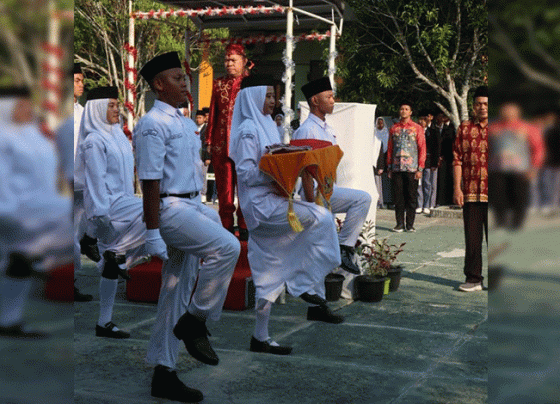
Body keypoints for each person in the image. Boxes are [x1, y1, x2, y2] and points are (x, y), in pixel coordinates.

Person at [134, 51, 240, 403]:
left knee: (174, 293)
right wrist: (151, 233)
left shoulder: (182, 121)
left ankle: (164, 372)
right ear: (158, 85)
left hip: (192, 203)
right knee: (228, 248)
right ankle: (196, 321)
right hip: (170, 208)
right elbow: (150, 182)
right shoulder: (152, 124)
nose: (186, 83)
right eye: (178, 79)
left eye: (186, 77)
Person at [229, 75, 344, 355]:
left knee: (269, 273)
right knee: (321, 218)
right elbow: (245, 173)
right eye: (268, 96)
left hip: (275, 199)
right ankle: (304, 283)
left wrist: (288, 159)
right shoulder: (247, 129)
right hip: (261, 206)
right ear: (254, 98)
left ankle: (261, 336)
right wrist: (280, 166)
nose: (273, 102)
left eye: (274, 96)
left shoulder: (268, 125)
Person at [78, 86, 168, 338]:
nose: (117, 109)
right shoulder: (93, 141)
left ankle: (103, 322)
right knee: (158, 209)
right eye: (111, 105)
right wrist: (98, 220)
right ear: (96, 109)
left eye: (117, 105)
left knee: (113, 261)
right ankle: (111, 251)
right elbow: (94, 183)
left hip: (125, 201)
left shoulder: (117, 134)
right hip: (109, 207)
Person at [0, 86, 73, 338]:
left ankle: (9, 320)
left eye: (26, 104)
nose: (27, 109)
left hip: (36, 205)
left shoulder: (32, 135)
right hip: (12, 207)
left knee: (17, 264)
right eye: (20, 105)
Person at [292, 77, 371, 275]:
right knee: (361, 199)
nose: (333, 101)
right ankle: (342, 250)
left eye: (332, 96)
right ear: (315, 101)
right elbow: (305, 172)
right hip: (315, 193)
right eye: (328, 97)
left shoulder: (327, 128)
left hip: (327, 190)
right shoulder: (307, 130)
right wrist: (312, 205)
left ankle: (344, 248)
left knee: (361, 200)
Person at [207, 43, 252, 240]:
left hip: (244, 145)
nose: (229, 64)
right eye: (226, 60)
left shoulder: (250, 83)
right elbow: (213, 113)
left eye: (233, 60)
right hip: (221, 144)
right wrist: (209, 139)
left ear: (243, 61)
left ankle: (244, 224)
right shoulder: (218, 83)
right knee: (224, 188)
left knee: (245, 186)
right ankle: (226, 224)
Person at [452, 86, 489, 292]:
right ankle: (474, 279)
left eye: (485, 104)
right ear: (473, 106)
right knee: (472, 239)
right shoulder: (464, 128)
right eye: (478, 104)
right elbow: (457, 159)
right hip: (471, 192)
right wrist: (457, 189)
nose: (482, 107)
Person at [488, 101, 544, 231]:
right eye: (505, 111)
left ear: (517, 113)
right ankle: (500, 222)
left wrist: (534, 168)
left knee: (519, 197)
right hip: (497, 169)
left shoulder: (527, 128)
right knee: (497, 197)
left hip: (521, 170)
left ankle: (517, 224)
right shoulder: (493, 128)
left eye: (511, 111)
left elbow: (538, 148)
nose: (507, 114)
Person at [73, 62, 98, 302]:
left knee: (77, 232)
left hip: (81, 180)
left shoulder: (84, 112)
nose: (81, 84)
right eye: (77, 79)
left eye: (82, 80)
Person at [385, 101, 426, 232]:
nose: (403, 111)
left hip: (412, 168)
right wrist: (389, 167)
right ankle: (399, 224)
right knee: (398, 197)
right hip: (397, 168)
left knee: (411, 196)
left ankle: (410, 224)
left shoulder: (417, 128)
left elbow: (422, 148)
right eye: (402, 108)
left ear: (411, 112)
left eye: (406, 109)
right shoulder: (394, 128)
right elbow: (390, 148)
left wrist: (420, 168)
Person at [416, 110, 441, 214]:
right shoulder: (415, 132)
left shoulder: (433, 132)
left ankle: (427, 204)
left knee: (427, 183)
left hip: (428, 161)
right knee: (418, 184)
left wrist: (435, 163)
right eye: (420, 120)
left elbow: (437, 148)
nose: (422, 122)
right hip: (417, 161)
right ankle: (419, 204)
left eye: (424, 120)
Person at [436, 110, 456, 206]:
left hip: (450, 157)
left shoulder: (452, 127)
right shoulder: (440, 127)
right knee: (442, 179)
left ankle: (451, 199)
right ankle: (441, 200)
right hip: (442, 157)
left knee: (451, 178)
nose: (442, 118)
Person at [374, 117, 389, 209]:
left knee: (385, 182)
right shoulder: (374, 134)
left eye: (381, 123)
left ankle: (386, 200)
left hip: (385, 158)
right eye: (378, 123)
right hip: (377, 159)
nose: (380, 125)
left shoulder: (386, 133)